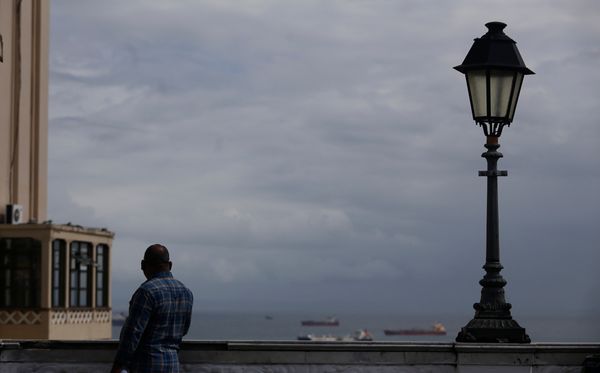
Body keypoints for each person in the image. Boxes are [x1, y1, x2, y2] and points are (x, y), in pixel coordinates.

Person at [111, 244, 193, 373]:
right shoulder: (186, 293)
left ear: (143, 265)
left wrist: (118, 365)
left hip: (146, 365)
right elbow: (184, 329)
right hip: (173, 365)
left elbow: (132, 334)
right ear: (170, 265)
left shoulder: (146, 292)